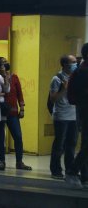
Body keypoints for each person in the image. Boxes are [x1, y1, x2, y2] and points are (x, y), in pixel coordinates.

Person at [0, 57, 32, 170]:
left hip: (13, 113)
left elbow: (20, 94)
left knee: (18, 136)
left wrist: (22, 108)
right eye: (3, 63)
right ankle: (2, 161)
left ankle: (19, 162)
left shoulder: (14, 77)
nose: (5, 64)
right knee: (0, 138)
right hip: (0, 113)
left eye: (6, 62)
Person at [49, 55, 78, 180]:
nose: (75, 64)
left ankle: (70, 170)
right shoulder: (57, 79)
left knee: (71, 145)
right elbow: (53, 98)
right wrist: (63, 89)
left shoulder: (75, 77)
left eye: (76, 62)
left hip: (74, 116)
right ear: (65, 64)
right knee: (59, 145)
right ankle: (56, 170)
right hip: (61, 116)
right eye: (73, 62)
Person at [66, 44, 88, 188]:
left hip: (82, 109)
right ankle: (73, 171)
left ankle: (84, 177)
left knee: (86, 143)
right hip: (85, 110)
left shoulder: (80, 70)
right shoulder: (82, 71)